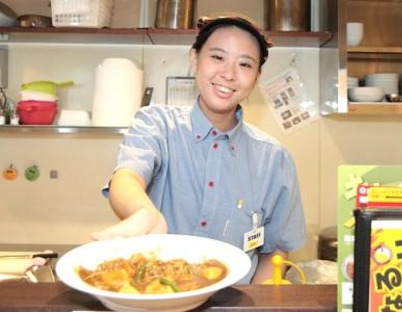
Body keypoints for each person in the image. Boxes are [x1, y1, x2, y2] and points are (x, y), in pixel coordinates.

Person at [90, 14, 306, 284]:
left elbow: (275, 252)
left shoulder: (275, 159)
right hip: (157, 298)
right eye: (217, 57)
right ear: (195, 60)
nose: (228, 73)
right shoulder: (157, 124)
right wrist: (144, 213)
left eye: (245, 64)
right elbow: (127, 176)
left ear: (256, 77)